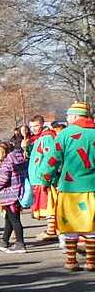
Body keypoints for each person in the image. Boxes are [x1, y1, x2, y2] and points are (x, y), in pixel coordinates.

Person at [35, 101, 95, 271]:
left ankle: (71, 260)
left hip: (70, 189)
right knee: (92, 225)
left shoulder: (65, 134)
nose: (67, 119)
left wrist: (45, 180)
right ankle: (91, 261)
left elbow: (52, 160)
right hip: (93, 188)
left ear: (75, 116)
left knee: (69, 224)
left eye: (69, 116)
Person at [0, 141, 29, 253]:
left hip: (9, 194)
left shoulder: (6, 163)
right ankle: (4, 241)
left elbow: (3, 181)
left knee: (15, 220)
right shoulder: (20, 160)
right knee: (9, 219)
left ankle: (20, 243)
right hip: (18, 191)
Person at [26, 116, 59, 242]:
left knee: (49, 204)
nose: (33, 129)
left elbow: (50, 158)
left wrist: (46, 176)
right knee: (45, 204)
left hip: (44, 178)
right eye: (31, 126)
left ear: (42, 124)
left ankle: (52, 230)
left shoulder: (47, 137)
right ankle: (50, 228)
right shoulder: (38, 138)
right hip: (38, 178)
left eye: (35, 126)